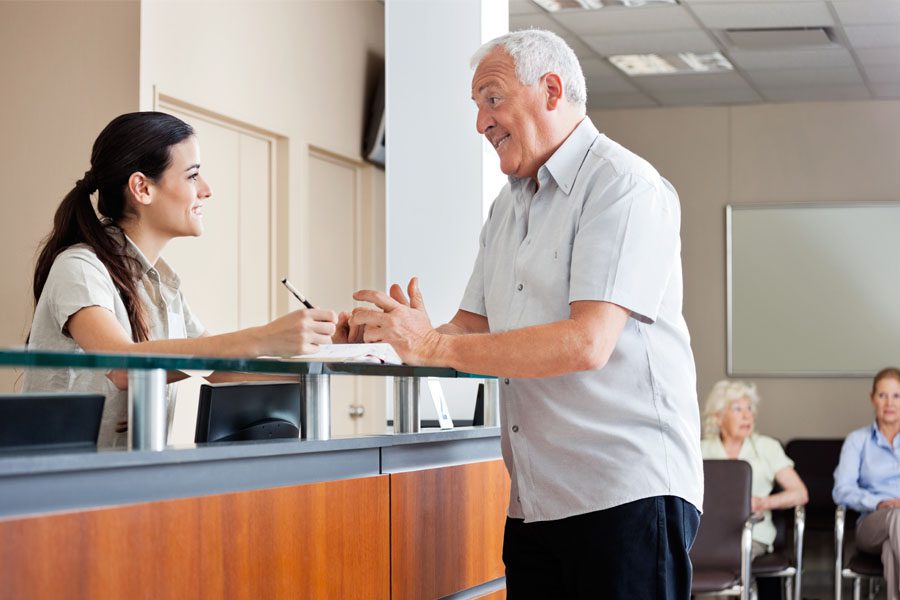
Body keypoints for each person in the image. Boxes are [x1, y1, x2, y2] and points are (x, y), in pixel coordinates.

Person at [350, 30, 703, 599]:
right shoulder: (509, 206)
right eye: (477, 106)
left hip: (625, 495)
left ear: (552, 90)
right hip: (536, 502)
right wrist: (395, 334)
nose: (480, 123)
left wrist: (434, 347)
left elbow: (588, 342)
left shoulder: (623, 186)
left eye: (492, 98)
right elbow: (470, 328)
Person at [24, 112, 351, 448]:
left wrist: (332, 350)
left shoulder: (163, 285)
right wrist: (265, 336)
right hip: (57, 484)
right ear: (142, 187)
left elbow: (221, 369)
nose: (207, 190)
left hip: (123, 479)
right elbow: (122, 366)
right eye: (193, 176)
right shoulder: (78, 267)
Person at [700, 380, 808, 560]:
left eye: (749, 408)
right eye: (737, 409)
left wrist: (761, 503)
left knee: (730, 556)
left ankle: (743, 588)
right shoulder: (700, 450)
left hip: (752, 533)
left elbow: (800, 493)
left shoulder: (767, 447)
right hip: (707, 534)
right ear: (718, 417)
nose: (747, 416)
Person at [834, 367, 900, 600]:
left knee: (891, 550)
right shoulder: (857, 441)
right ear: (872, 398)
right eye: (883, 395)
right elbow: (842, 490)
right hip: (872, 524)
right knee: (897, 517)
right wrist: (879, 502)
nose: (889, 403)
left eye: (896, 396)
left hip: (893, 537)